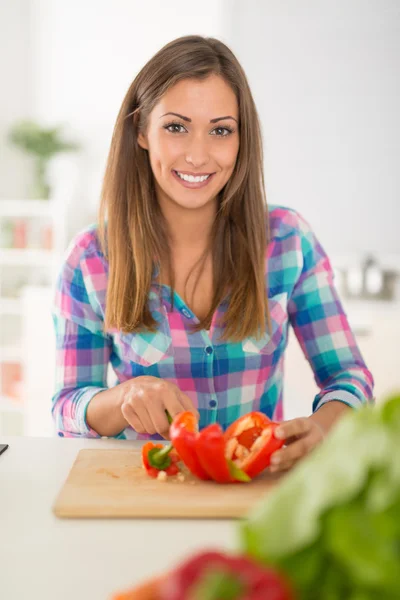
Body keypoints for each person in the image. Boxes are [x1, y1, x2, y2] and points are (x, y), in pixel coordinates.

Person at [52, 35, 374, 474]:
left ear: (242, 139)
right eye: (176, 127)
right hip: (148, 496)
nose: (198, 155)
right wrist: (123, 397)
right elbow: (68, 406)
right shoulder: (90, 259)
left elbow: (350, 380)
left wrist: (323, 426)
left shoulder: (287, 241)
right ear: (141, 131)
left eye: (220, 130)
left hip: (255, 494)